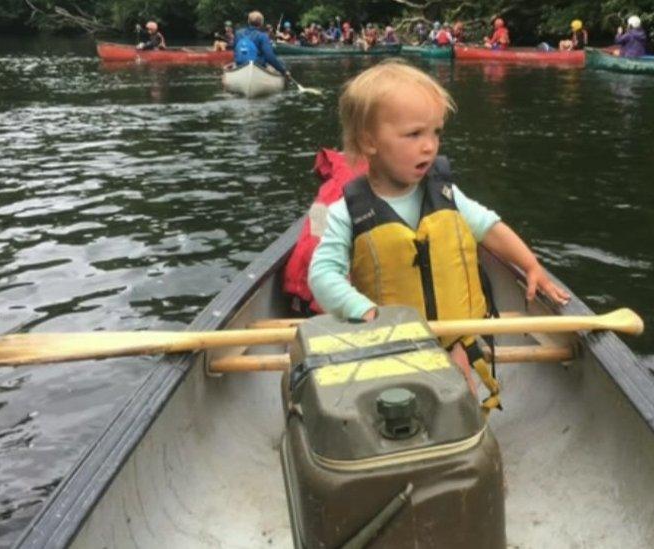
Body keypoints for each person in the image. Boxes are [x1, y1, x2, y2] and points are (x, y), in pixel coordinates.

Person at [308, 60, 570, 411]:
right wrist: (364, 310)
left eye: (436, 133)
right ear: (369, 142)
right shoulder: (348, 212)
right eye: (414, 134)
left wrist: (531, 265)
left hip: (454, 338)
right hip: (392, 342)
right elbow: (322, 275)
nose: (430, 146)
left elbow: (489, 227)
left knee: (458, 397)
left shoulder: (447, 195)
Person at [234, 11, 290, 78]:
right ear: (261, 23)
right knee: (281, 62)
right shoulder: (262, 36)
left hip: (240, 66)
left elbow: (235, 52)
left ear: (248, 21)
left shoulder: (238, 34)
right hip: (257, 65)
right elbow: (270, 57)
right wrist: (283, 71)